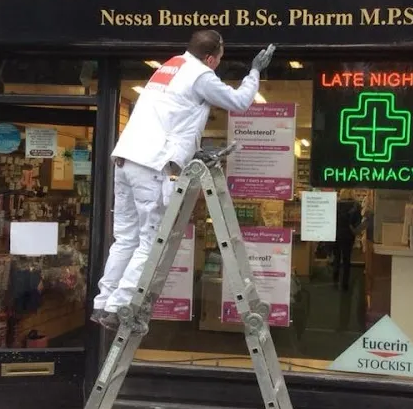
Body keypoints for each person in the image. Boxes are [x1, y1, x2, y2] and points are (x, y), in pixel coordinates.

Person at [92, 30, 276, 331]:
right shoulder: (200, 74)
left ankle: (102, 302)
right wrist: (255, 71)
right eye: (220, 58)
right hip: (151, 165)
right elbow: (240, 101)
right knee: (151, 241)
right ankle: (118, 308)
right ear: (211, 58)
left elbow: (175, 116)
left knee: (126, 238)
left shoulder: (170, 66)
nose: (218, 64)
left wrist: (192, 149)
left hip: (126, 159)